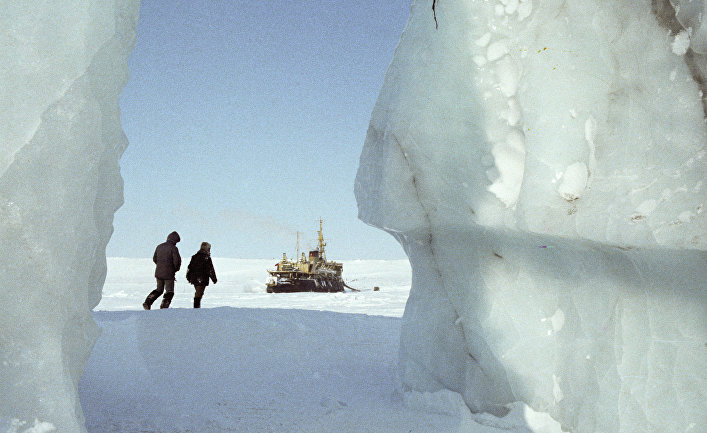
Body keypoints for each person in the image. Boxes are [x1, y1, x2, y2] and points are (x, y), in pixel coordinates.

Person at [143, 231, 182, 310]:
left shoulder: (159, 246)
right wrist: (175, 269)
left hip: (158, 273)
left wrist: (160, 266)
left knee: (159, 290)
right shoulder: (173, 248)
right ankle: (164, 306)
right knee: (169, 291)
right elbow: (177, 261)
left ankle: (148, 302)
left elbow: (155, 259)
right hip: (169, 273)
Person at [185, 242, 217, 308]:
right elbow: (210, 269)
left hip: (194, 279)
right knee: (199, 294)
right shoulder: (206, 258)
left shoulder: (194, 257)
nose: (209, 250)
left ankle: (196, 307)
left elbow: (189, 267)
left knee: (198, 293)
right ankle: (196, 308)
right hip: (202, 278)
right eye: (209, 248)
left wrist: (188, 277)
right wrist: (214, 279)